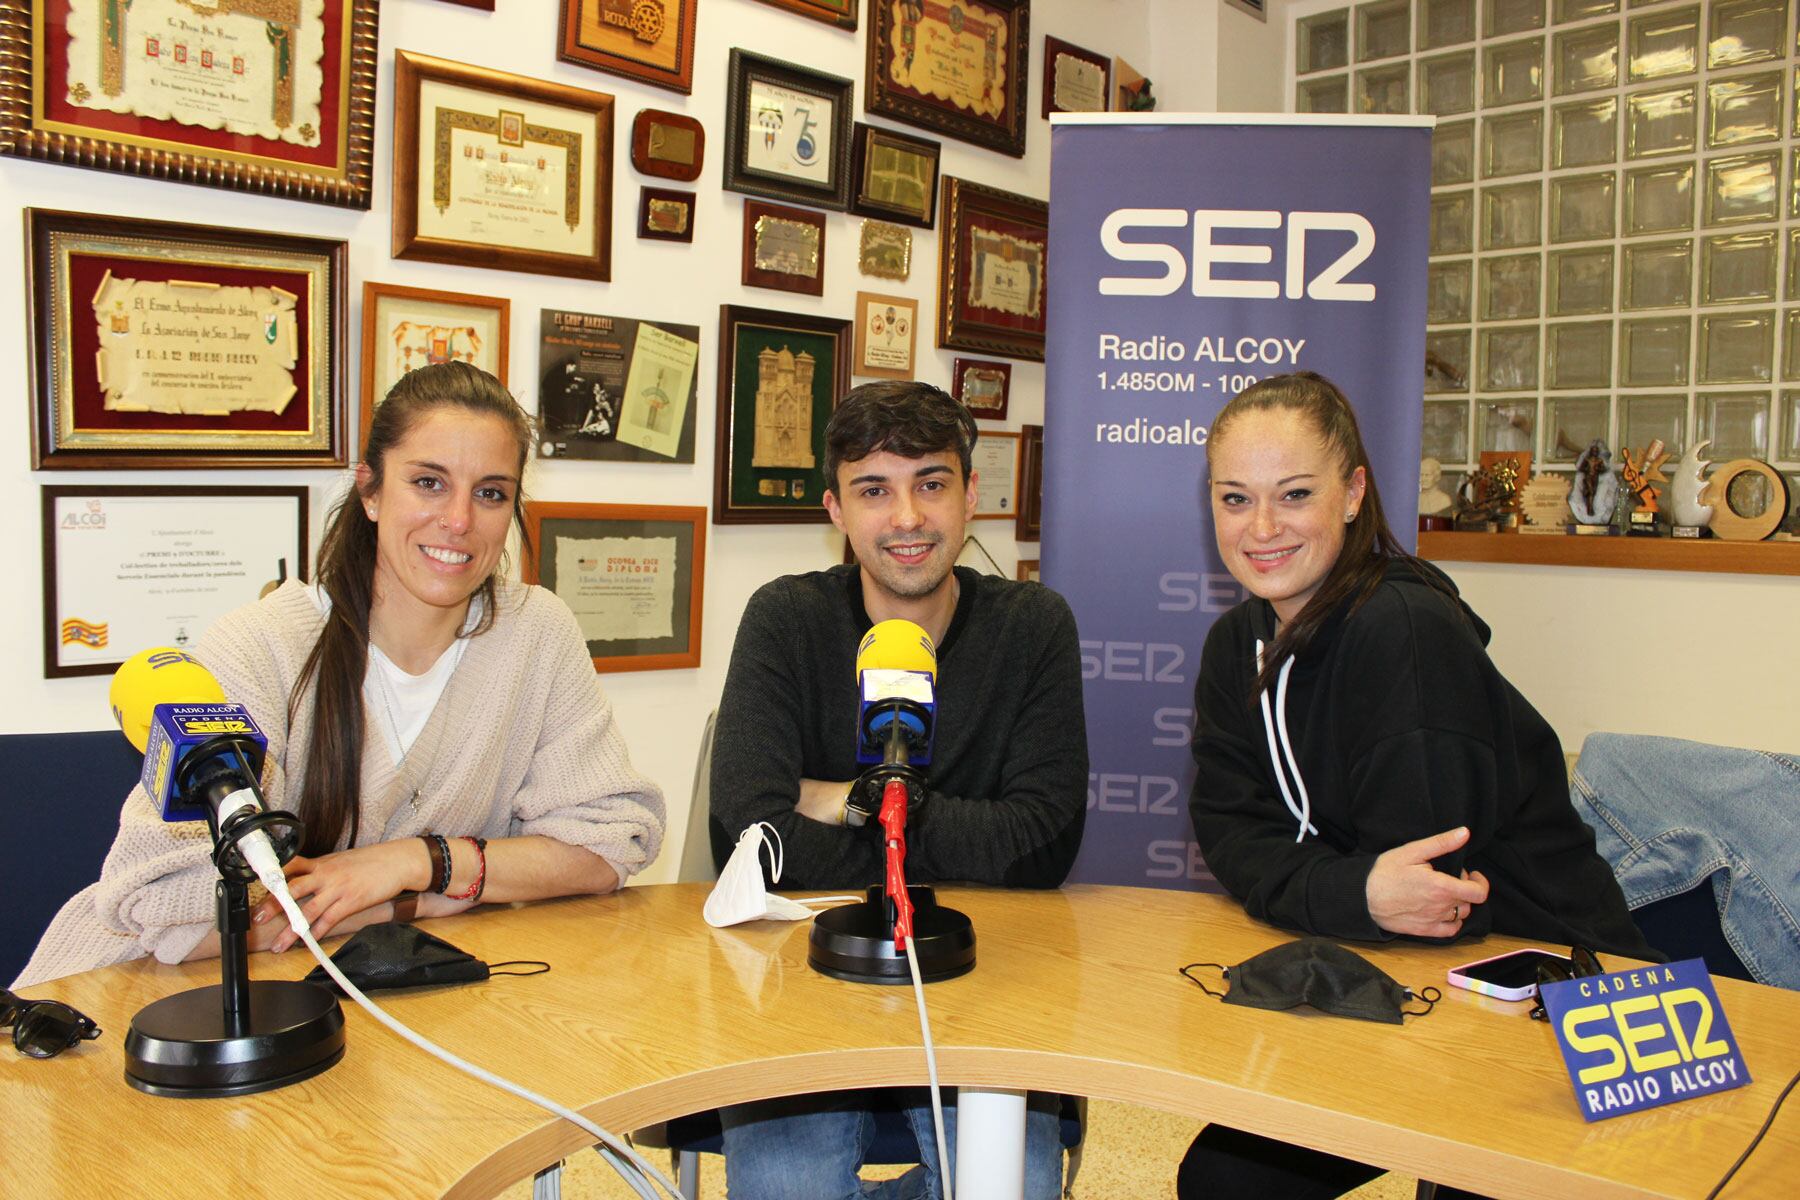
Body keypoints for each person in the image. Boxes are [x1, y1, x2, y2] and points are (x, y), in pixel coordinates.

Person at [16, 362, 665, 989]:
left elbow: (607, 846)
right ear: (370, 490)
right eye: (429, 483)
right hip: (135, 998)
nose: (460, 521)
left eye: (490, 493)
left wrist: (416, 863)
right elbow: (167, 911)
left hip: (387, 993)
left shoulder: (537, 633)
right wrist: (417, 901)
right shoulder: (260, 648)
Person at [1179, 372, 1657, 1200]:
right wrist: (1353, 890)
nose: (1260, 528)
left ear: (1355, 492)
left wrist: (1344, 892)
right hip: (1395, 970)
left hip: (1548, 998)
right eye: (1234, 499)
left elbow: (1430, 902)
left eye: (1294, 494)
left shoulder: (1405, 633)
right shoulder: (1237, 645)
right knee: (1230, 1181)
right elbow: (1230, 829)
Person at [708, 380, 1086, 1200]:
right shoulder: (785, 618)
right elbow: (746, 831)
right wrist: (940, 827)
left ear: (970, 496)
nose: (907, 517)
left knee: (1003, 1193)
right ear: (836, 511)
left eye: (931, 484)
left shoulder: (1034, 626)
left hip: (984, 978)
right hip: (798, 982)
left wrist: (831, 797)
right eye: (874, 490)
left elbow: (1044, 842)